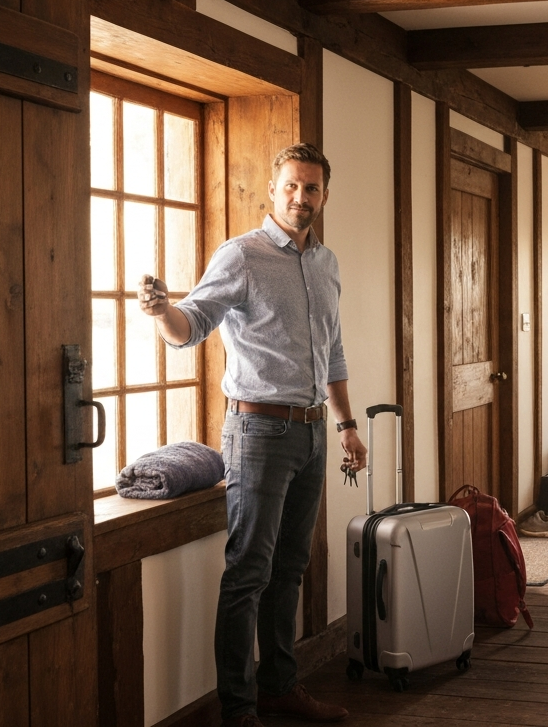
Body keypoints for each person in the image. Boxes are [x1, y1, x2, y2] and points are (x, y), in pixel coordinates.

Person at [139, 143, 363, 726]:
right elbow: (193, 325)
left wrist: (347, 426)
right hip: (258, 433)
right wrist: (163, 310)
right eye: (291, 186)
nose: (300, 197)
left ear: (324, 196)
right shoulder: (242, 255)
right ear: (273, 189)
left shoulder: (327, 263)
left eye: (311, 188)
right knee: (248, 574)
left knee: (290, 568)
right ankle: (239, 712)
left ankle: (280, 687)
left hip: (314, 434)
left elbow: (333, 351)